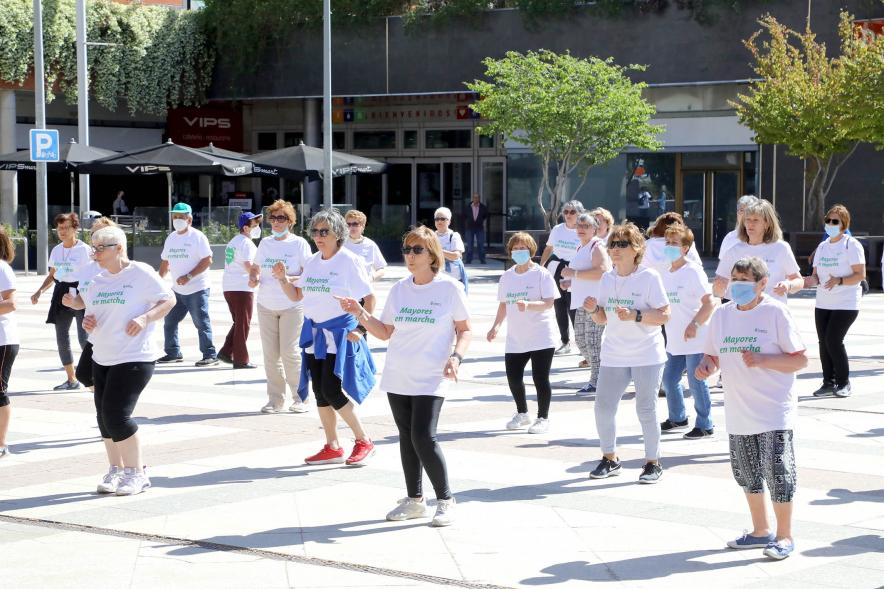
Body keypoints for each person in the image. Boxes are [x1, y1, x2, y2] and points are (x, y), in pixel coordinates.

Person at [338, 226, 471, 526]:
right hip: (399, 374)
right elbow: (385, 332)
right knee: (407, 438)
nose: (410, 256)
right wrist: (359, 313)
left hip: (432, 376)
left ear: (432, 254)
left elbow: (464, 330)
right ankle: (414, 500)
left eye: (417, 250)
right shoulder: (400, 289)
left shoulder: (450, 289)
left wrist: (456, 357)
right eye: (407, 250)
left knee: (424, 436)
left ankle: (446, 500)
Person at [696, 256, 807, 560]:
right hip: (738, 408)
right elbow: (712, 356)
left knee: (777, 471)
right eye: (734, 279)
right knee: (746, 472)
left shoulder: (776, 313)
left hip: (774, 409)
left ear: (761, 284)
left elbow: (800, 359)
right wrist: (706, 367)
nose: (737, 285)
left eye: (744, 280)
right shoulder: (722, 315)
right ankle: (761, 531)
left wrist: (764, 360)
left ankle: (784, 536)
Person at [278, 208, 377, 466]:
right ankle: (332, 446)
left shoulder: (348, 261)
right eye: (315, 232)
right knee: (319, 391)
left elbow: (369, 297)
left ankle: (363, 439)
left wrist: (362, 328)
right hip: (314, 334)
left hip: (339, 334)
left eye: (325, 232)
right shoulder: (312, 261)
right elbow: (296, 296)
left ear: (338, 234)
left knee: (332, 390)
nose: (319, 236)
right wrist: (281, 280)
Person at [80, 225, 175, 495]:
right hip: (103, 354)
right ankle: (116, 470)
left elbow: (169, 299)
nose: (95, 252)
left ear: (119, 248)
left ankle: (137, 473)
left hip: (135, 355)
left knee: (117, 415)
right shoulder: (97, 281)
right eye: (93, 247)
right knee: (103, 418)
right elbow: (94, 316)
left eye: (101, 247)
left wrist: (145, 318)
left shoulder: (141, 272)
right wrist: (89, 321)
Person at [583, 223, 670, 484]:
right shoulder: (607, 279)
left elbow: (665, 315)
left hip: (647, 354)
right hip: (614, 353)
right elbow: (601, 318)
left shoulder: (649, 277)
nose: (615, 250)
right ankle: (610, 458)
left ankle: (653, 463)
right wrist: (592, 310)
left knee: (646, 409)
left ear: (637, 249)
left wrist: (636, 315)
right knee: (603, 408)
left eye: (622, 244)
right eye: (612, 244)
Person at [487, 232, 559, 433]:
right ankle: (522, 413)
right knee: (513, 377)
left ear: (531, 250)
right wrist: (496, 326)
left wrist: (528, 305)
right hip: (516, 337)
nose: (519, 252)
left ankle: (543, 417)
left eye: (523, 248)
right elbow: (504, 303)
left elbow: (548, 302)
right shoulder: (507, 276)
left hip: (541, 335)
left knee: (540, 378)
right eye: (516, 248)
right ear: (510, 252)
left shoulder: (541, 274)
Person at [248, 199, 312, 413]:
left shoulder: (299, 244)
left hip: (291, 304)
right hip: (266, 303)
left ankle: (300, 397)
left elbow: (309, 273)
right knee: (270, 354)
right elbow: (256, 268)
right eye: (273, 218)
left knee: (290, 352)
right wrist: (254, 277)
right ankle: (275, 400)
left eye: (281, 218)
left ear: (290, 221)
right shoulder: (265, 243)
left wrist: (288, 278)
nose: (276, 222)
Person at [659, 224, 717, 438]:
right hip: (674, 338)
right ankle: (678, 417)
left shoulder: (693, 271)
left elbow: (709, 302)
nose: (669, 246)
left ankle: (705, 424)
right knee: (669, 379)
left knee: (696, 380)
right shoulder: (665, 273)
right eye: (667, 242)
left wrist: (695, 324)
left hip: (696, 338)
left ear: (685, 248)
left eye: (674, 243)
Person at [804, 205, 866, 398]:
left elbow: (860, 275)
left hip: (846, 303)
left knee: (833, 340)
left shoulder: (851, 245)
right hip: (823, 302)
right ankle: (827, 382)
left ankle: (843, 382)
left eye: (835, 221)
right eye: (828, 221)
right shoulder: (822, 247)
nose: (830, 224)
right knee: (823, 342)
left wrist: (839, 280)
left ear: (843, 224)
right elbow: (815, 276)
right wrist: (805, 282)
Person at [30, 212, 92, 390]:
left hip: (81, 293)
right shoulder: (56, 250)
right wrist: (39, 291)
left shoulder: (84, 250)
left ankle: (94, 374)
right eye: (59, 228)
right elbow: (53, 275)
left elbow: (93, 273)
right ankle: (71, 379)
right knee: (62, 338)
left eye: (66, 227)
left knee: (84, 338)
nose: (62, 231)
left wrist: (87, 295)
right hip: (61, 293)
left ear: (75, 228)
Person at [62, 217, 119, 391]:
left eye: (102, 235)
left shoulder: (120, 267)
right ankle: (104, 400)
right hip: (96, 333)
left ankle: (109, 403)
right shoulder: (87, 269)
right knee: (85, 374)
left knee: (108, 376)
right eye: (94, 234)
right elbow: (82, 301)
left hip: (117, 334)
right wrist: (73, 302)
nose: (97, 239)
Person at [157, 203, 217, 366]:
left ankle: (210, 355)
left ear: (189, 219)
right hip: (177, 290)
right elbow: (165, 262)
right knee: (169, 321)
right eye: (175, 217)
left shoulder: (198, 237)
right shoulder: (171, 238)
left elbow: (208, 260)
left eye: (181, 217)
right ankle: (173, 352)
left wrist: (189, 276)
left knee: (201, 322)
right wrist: (158, 281)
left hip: (197, 289)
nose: (177, 220)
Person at [714, 199, 802, 303]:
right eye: (748, 219)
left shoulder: (781, 248)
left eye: (755, 220)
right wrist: (718, 288)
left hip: (771, 312)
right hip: (740, 313)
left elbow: (798, 281)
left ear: (767, 224)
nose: (750, 224)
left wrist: (788, 285)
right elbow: (718, 288)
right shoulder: (733, 251)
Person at [561, 213, 611, 392]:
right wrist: (571, 282)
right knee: (581, 341)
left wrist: (574, 274)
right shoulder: (581, 247)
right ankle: (605, 371)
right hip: (581, 301)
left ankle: (597, 381)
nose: (581, 229)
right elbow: (585, 275)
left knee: (592, 341)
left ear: (595, 229)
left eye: (586, 226)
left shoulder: (597, 246)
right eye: (579, 226)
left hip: (596, 302)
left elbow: (603, 271)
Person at [218, 212, 262, 369]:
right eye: (255, 225)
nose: (258, 228)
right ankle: (241, 359)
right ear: (246, 227)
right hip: (242, 288)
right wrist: (258, 278)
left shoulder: (233, 241)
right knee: (243, 323)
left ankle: (226, 352)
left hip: (229, 286)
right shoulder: (247, 243)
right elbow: (249, 265)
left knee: (238, 323)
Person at [540, 200, 584, 355]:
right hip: (556, 269)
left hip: (574, 270)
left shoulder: (583, 230)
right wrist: (541, 266)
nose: (568, 215)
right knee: (559, 307)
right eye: (566, 212)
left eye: (572, 212)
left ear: (579, 213)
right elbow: (549, 248)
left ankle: (581, 343)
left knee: (574, 307)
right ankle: (565, 342)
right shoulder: (558, 229)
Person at [0, 228, 20, 458]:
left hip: (3, 340)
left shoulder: (2, 268)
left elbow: (11, 303)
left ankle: (2, 443)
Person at [343, 209, 387, 282]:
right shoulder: (339, 244)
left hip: (365, 289)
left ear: (363, 226)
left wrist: (371, 278)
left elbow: (381, 269)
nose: (351, 227)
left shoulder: (370, 245)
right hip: (344, 290)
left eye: (355, 224)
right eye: (348, 224)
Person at [433, 207, 468, 292]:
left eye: (443, 219)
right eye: (437, 219)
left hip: (454, 277)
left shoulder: (454, 235)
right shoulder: (431, 236)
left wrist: (438, 251)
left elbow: (456, 255)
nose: (439, 221)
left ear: (449, 221)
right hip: (436, 277)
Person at [719, 195, 759, 261]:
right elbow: (722, 266)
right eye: (741, 210)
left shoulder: (764, 237)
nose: (744, 215)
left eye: (748, 211)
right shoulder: (730, 237)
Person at [463, 193, 488, 264]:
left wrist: (479, 220)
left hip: (479, 228)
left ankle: (482, 260)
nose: (476, 199)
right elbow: (464, 215)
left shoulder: (483, 207)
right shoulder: (468, 207)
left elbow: (485, 216)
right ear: (472, 198)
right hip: (469, 228)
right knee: (469, 245)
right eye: (474, 197)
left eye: (477, 197)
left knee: (481, 244)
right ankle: (468, 260)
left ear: (479, 199)